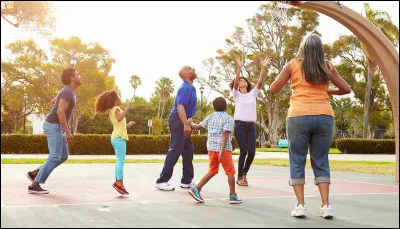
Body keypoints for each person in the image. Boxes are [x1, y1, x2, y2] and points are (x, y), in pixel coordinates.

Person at [270, 33, 351, 219]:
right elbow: (346, 89)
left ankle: (300, 206)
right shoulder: (327, 66)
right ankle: (326, 206)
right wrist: (325, 90)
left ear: (303, 47)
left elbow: (274, 88)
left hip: (298, 115)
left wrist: (294, 84)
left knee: (297, 159)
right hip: (324, 116)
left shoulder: (293, 64)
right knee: (321, 160)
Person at [26, 68, 82, 194]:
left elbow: (55, 102)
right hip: (54, 125)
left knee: (63, 156)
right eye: (78, 74)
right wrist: (67, 132)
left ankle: (35, 173)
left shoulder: (69, 92)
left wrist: (57, 100)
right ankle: (34, 185)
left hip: (56, 125)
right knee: (55, 156)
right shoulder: (67, 91)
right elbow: (60, 111)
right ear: (72, 78)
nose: (80, 76)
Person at [187, 97, 242, 204]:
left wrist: (190, 122)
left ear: (213, 107)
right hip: (224, 150)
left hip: (212, 148)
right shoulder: (228, 118)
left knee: (212, 171)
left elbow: (198, 127)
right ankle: (233, 195)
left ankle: (196, 188)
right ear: (226, 106)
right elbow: (225, 133)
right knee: (230, 172)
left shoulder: (211, 116)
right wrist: (222, 150)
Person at [230, 54, 271, 186]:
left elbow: (260, 83)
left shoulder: (252, 94)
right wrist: (238, 68)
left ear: (247, 83)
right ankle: (239, 177)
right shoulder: (236, 94)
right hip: (239, 125)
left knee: (252, 152)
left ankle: (245, 173)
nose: (242, 82)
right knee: (243, 151)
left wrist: (263, 69)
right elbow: (235, 83)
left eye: (244, 80)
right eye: (240, 81)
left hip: (250, 127)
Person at [155, 66, 197, 191]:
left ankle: (186, 180)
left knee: (188, 151)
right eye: (189, 69)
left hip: (183, 121)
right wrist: (185, 124)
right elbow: (180, 107)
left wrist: (189, 122)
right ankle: (161, 181)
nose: (193, 69)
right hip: (178, 121)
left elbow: (189, 108)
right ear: (185, 75)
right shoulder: (185, 87)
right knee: (175, 150)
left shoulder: (191, 88)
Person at [95, 90, 136, 195]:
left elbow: (119, 124)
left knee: (119, 161)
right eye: (118, 97)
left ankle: (118, 182)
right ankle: (119, 183)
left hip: (116, 137)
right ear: (114, 100)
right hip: (119, 138)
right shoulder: (116, 109)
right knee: (120, 162)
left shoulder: (112, 110)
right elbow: (119, 119)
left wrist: (128, 125)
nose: (120, 98)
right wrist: (127, 108)